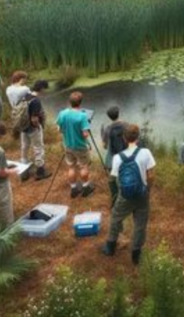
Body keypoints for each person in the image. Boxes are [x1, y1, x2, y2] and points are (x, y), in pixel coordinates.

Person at [103, 124, 157, 266]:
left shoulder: (117, 158)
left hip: (125, 196)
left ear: (124, 139)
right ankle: (136, 254)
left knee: (115, 217)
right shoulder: (145, 152)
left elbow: (114, 178)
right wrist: (148, 188)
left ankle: (110, 246)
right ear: (138, 137)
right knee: (140, 224)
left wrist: (117, 194)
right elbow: (151, 175)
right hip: (142, 195)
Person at [56, 91, 94, 198]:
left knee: (71, 167)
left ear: (70, 102)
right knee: (83, 166)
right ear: (80, 103)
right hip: (81, 146)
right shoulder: (82, 116)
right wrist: (87, 126)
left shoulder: (62, 113)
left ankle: (73, 189)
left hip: (68, 145)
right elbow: (85, 134)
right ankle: (86, 187)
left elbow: (59, 129)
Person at [22, 80, 50, 181]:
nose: (45, 92)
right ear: (41, 88)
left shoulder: (26, 95)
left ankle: (24, 172)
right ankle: (40, 171)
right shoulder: (36, 101)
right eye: (45, 90)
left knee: (25, 148)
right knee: (38, 147)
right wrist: (38, 126)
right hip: (32, 128)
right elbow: (34, 118)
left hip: (23, 127)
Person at [102, 106, 130, 206]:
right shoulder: (127, 125)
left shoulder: (107, 129)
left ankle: (114, 200)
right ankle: (127, 198)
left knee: (112, 180)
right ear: (118, 113)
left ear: (109, 117)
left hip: (112, 160)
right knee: (126, 178)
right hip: (126, 157)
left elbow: (105, 146)